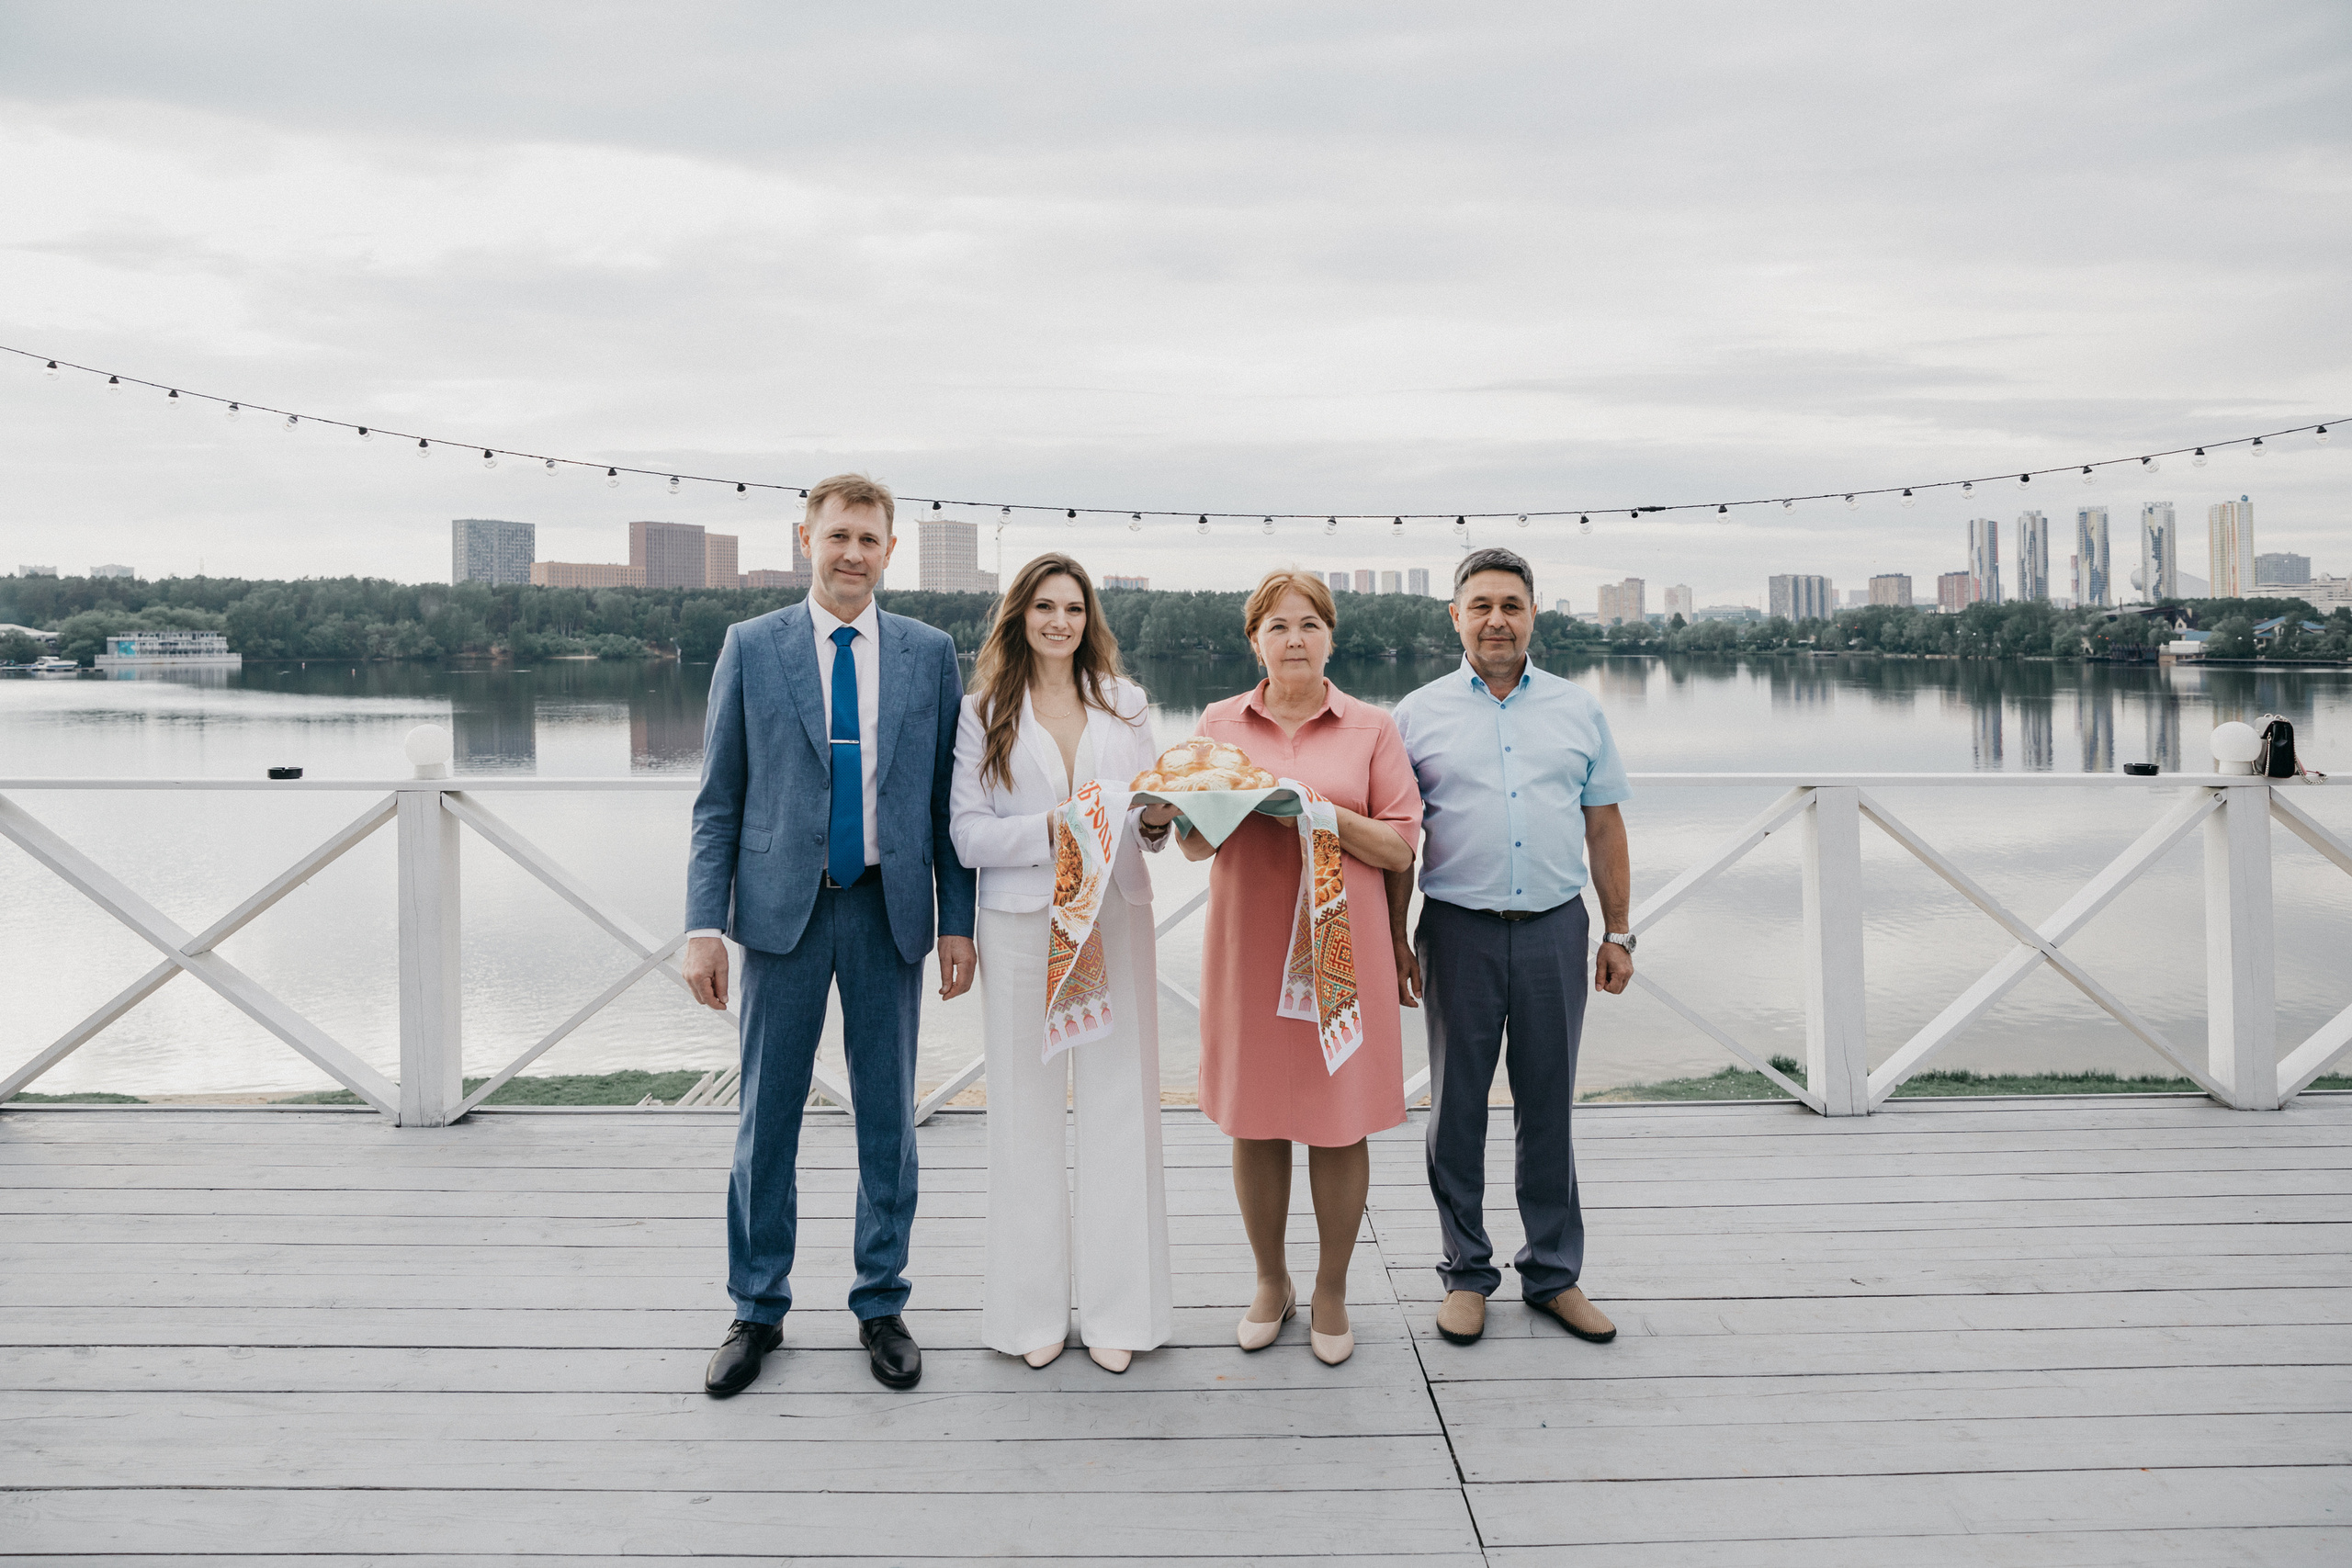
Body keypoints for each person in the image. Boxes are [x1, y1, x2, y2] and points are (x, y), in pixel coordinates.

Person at [684, 473, 977, 1398]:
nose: (852, 552)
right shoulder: (751, 647)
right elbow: (718, 802)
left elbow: (944, 807)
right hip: (781, 913)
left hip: (888, 909)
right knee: (765, 1117)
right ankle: (756, 1307)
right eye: (837, 535)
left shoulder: (930, 655)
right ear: (803, 538)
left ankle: (880, 1301)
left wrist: (958, 920)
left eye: (869, 539)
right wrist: (701, 925)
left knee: (888, 1118)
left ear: (891, 550)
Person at [1388, 546, 1632, 1348]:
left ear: (1534, 615)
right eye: (1481, 605)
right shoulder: (1415, 715)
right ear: (1455, 616)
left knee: (1548, 1107)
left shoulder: (1577, 709)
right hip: (1456, 930)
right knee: (1455, 1108)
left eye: (1512, 605)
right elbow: (1401, 838)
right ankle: (1465, 1271)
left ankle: (1553, 1274)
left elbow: (1603, 825)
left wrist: (1620, 929)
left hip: (1558, 931)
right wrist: (1396, 937)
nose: (1497, 619)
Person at [1181, 570, 1420, 1366]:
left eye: (1309, 624)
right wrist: (1189, 806)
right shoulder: (1219, 720)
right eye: (1278, 626)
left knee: (1338, 1119)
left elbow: (1399, 844)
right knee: (1255, 1118)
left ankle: (1331, 1289)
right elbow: (1191, 843)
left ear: (1331, 637)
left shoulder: (1373, 728)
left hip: (1341, 953)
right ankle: (1269, 1280)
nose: (1294, 639)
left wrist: (1315, 809)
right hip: (1248, 946)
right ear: (1254, 639)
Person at [950, 554, 1181, 1374]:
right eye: (1044, 607)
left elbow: (1152, 815)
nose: (1060, 621)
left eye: (1074, 608)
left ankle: (1122, 1310)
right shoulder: (982, 712)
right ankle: (1029, 1311)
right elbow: (968, 835)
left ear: (1090, 619)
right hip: (1022, 926)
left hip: (1115, 918)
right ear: (1018, 616)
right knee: (1024, 1112)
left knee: (1121, 1105)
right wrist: (1056, 829)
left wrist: (1154, 817)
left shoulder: (1126, 703)